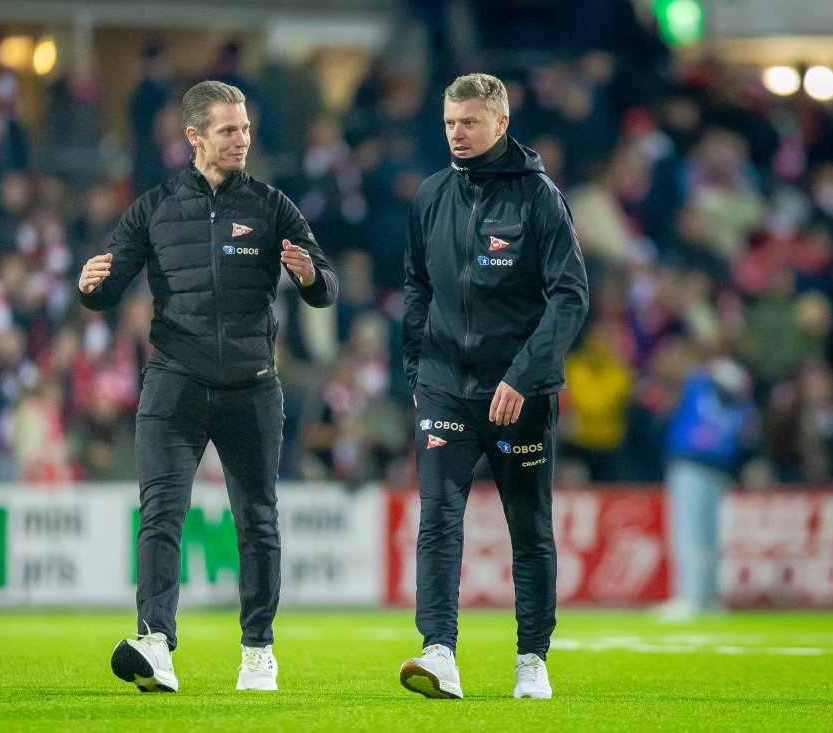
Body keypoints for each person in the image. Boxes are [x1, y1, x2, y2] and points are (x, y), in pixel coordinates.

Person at [77, 80, 338, 693]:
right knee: (161, 515)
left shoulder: (273, 207)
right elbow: (108, 285)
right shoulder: (154, 208)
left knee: (257, 521)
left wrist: (309, 277)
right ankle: (156, 643)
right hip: (174, 384)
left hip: (252, 386)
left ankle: (257, 650)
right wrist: (90, 288)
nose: (241, 140)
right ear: (193, 136)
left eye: (244, 128)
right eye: (227, 130)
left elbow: (326, 285)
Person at [400, 73, 589, 700]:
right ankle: (438, 653)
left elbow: (571, 296)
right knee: (438, 522)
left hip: (520, 396)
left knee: (528, 529)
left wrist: (524, 375)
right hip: (446, 388)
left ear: (501, 124)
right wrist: (416, 372)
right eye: (450, 122)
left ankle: (531, 659)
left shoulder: (539, 198)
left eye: (470, 122)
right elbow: (416, 287)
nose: (457, 133)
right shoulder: (430, 195)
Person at [660, 356, 756, 621]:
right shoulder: (709, 389)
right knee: (699, 535)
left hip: (702, 467)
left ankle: (698, 597)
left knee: (696, 535)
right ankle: (699, 597)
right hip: (698, 465)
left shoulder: (714, 391)